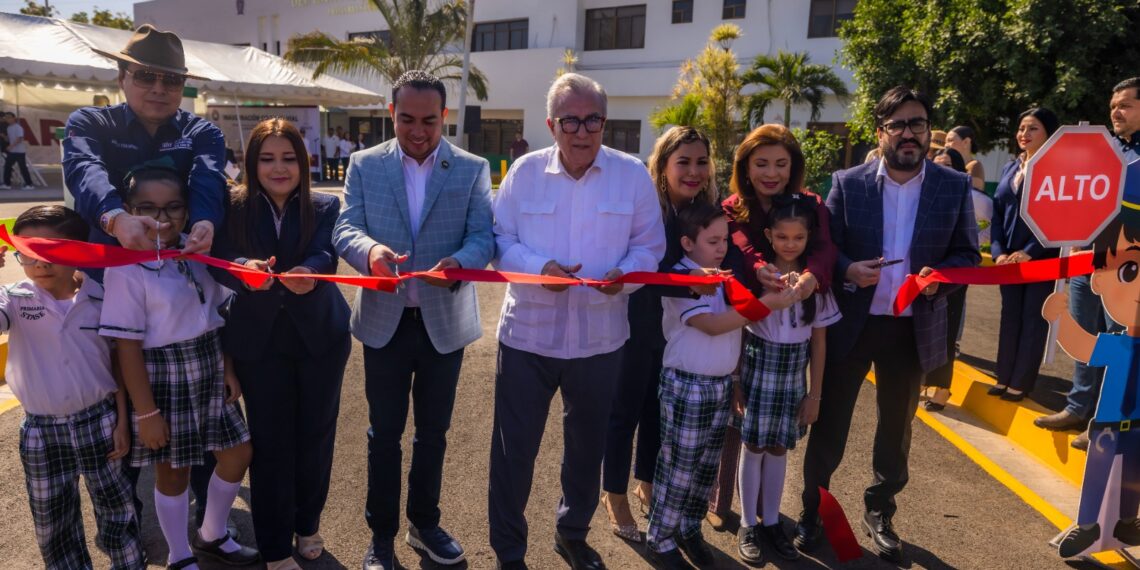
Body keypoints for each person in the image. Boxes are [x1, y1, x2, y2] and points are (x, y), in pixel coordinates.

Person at [488, 72, 665, 570]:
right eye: (571, 120)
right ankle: (509, 551)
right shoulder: (523, 173)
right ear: (552, 124)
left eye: (593, 119)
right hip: (527, 337)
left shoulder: (632, 175)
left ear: (604, 123)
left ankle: (572, 532)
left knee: (588, 451)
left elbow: (650, 246)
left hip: (601, 339)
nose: (582, 131)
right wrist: (538, 268)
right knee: (513, 453)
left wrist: (625, 277)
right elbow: (499, 240)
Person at [797, 86, 979, 562]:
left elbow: (967, 256)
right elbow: (825, 248)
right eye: (896, 125)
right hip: (852, 323)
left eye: (916, 124)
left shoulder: (952, 186)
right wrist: (846, 270)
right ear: (880, 133)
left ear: (927, 131)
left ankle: (880, 511)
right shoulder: (847, 182)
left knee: (895, 428)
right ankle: (813, 510)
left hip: (911, 327)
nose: (907, 134)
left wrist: (941, 281)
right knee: (830, 422)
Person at [63, 21, 229, 539]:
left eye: (171, 80)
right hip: (104, 286)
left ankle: (208, 528)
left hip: (177, 291)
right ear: (122, 76)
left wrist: (205, 221)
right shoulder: (91, 121)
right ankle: (123, 534)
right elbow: (84, 169)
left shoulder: (201, 130)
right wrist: (115, 217)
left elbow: (207, 176)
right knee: (115, 410)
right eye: (146, 76)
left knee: (197, 409)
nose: (159, 89)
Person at [334, 70, 493, 570]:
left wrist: (462, 263)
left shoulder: (470, 167)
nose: (418, 130)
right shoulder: (364, 164)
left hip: (443, 322)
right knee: (383, 434)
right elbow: (346, 226)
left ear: (444, 116)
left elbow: (483, 236)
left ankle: (424, 523)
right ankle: (380, 536)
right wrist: (370, 250)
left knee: (434, 433)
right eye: (406, 119)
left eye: (428, 119)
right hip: (385, 320)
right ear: (392, 114)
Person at [99, 166, 259, 569]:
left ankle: (211, 533)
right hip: (163, 376)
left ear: (188, 211)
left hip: (207, 364)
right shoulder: (127, 266)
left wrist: (227, 367)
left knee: (238, 453)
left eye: (174, 208)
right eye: (147, 208)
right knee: (174, 472)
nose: (162, 219)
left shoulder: (197, 249)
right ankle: (180, 554)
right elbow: (127, 346)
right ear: (127, 210)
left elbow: (216, 312)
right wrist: (146, 413)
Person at [210, 118, 352, 570]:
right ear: (252, 162)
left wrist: (310, 270)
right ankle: (273, 547)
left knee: (316, 436)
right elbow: (214, 261)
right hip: (259, 343)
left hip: (320, 339)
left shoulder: (325, 205)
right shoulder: (232, 206)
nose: (278, 168)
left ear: (303, 162)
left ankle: (307, 524)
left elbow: (326, 252)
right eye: (267, 158)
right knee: (271, 444)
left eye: (288, 158)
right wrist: (240, 266)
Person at [645, 202, 796, 570]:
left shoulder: (722, 276)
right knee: (679, 467)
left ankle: (688, 527)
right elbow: (711, 326)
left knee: (705, 469)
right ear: (686, 242)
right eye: (712, 240)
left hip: (718, 384)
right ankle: (660, 537)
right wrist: (766, 306)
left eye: (725, 239)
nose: (721, 247)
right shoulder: (680, 279)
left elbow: (730, 325)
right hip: (687, 385)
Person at [4, 206, 145, 569]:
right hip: (41, 431)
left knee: (117, 511)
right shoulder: (14, 299)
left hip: (100, 420)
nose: (40, 263)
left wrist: (122, 422)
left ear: (79, 251)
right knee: (53, 522)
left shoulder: (101, 297)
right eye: (29, 253)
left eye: (53, 251)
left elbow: (116, 362)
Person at [601, 126, 722, 543]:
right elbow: (642, 274)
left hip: (680, 331)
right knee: (625, 412)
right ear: (663, 165)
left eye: (701, 161)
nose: (693, 171)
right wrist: (689, 283)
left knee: (658, 412)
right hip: (638, 323)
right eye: (683, 162)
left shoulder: (707, 209)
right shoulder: (648, 207)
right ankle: (614, 495)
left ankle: (646, 482)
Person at [1036, 77, 1140, 449]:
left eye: (1125, 104)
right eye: (1114, 104)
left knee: (1119, 343)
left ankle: (1106, 418)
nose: (1116, 111)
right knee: (1085, 335)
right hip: (1085, 260)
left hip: (1126, 273)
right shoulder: (1103, 149)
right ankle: (1077, 407)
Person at [736, 194, 840, 565]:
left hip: (792, 376)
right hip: (757, 368)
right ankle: (748, 523)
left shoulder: (815, 286)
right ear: (769, 235)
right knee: (754, 445)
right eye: (782, 237)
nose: (790, 244)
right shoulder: (758, 277)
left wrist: (815, 396)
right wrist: (736, 382)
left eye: (798, 238)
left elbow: (819, 344)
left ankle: (771, 521)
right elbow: (740, 331)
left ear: (809, 238)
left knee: (779, 447)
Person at [1043, 208, 1140, 559]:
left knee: (1133, 476)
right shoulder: (1117, 344)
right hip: (1107, 428)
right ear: (1098, 280)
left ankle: (1127, 521)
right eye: (1130, 271)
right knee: (1097, 477)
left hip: (1138, 427)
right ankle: (1088, 526)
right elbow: (1084, 347)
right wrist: (1062, 317)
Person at [987, 108, 1061, 402]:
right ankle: (1003, 378)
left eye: (1033, 129)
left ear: (1049, 134)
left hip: (1040, 259)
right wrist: (998, 252)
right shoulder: (1009, 168)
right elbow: (996, 214)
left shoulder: (1057, 170)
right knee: (1010, 318)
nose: (1023, 134)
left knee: (1032, 319)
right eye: (1021, 128)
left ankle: (1020, 383)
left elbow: (1059, 216)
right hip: (1008, 261)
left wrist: (1030, 252)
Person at [923, 147, 975, 411]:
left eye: (948, 166)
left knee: (946, 334)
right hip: (923, 278)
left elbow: (969, 248)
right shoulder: (923, 195)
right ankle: (924, 382)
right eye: (937, 165)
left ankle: (942, 389)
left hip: (952, 277)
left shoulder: (962, 195)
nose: (941, 171)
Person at [944, 126, 987, 191]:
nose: (946, 145)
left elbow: (973, 194)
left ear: (966, 142)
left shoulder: (974, 165)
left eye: (950, 140)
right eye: (945, 142)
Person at [1, 112, 34, 189]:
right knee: (7, 167)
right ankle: (7, 184)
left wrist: (10, 146)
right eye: (6, 117)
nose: (7, 119)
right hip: (12, 152)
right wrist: (4, 137)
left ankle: (29, 184)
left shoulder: (18, 127)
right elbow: (9, 139)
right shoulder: (9, 128)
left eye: (9, 117)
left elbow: (19, 138)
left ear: (14, 118)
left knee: (23, 168)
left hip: (19, 152)